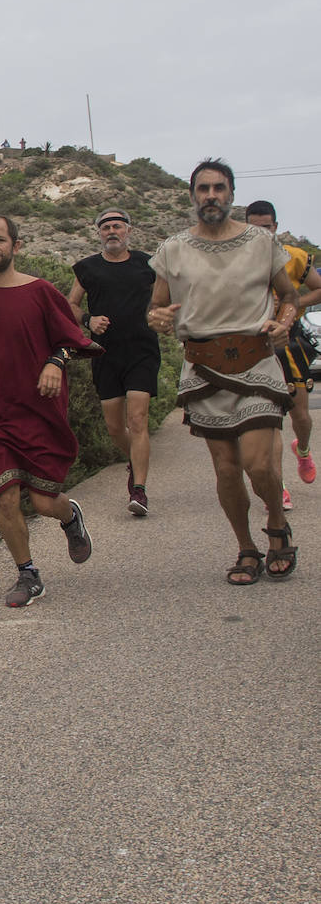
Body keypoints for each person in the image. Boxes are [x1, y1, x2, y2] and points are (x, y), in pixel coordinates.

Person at [148, 160, 298, 586]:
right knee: (228, 470)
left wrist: (284, 322)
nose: (211, 195)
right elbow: (156, 307)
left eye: (218, 188)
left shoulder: (262, 243)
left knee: (260, 465)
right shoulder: (172, 249)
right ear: (193, 195)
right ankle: (246, 547)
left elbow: (288, 297)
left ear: (231, 193)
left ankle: (275, 524)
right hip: (204, 368)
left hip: (256, 361)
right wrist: (157, 318)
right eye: (203, 189)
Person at [0, 214, 99, 608]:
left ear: (16, 246)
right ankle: (28, 574)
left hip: (38, 409)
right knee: (7, 496)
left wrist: (55, 363)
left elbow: (72, 340)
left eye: (1, 239)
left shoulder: (41, 292)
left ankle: (70, 517)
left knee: (45, 501)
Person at [68, 209, 162, 516]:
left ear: (128, 231)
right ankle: (137, 462)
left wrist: (159, 315)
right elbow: (70, 304)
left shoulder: (148, 264)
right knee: (114, 427)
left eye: (117, 226)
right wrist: (88, 319)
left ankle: (140, 491)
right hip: (105, 353)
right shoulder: (88, 268)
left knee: (138, 420)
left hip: (142, 350)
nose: (112, 231)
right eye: (106, 227)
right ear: (99, 233)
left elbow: (165, 296)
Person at [244, 200, 321, 505]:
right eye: (254, 228)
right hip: (252, 343)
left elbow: (318, 288)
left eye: (266, 227)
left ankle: (302, 450)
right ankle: (279, 486)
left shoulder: (295, 256)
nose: (260, 233)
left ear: (274, 227)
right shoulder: (236, 260)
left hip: (289, 342)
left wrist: (291, 304)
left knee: (300, 415)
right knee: (267, 418)